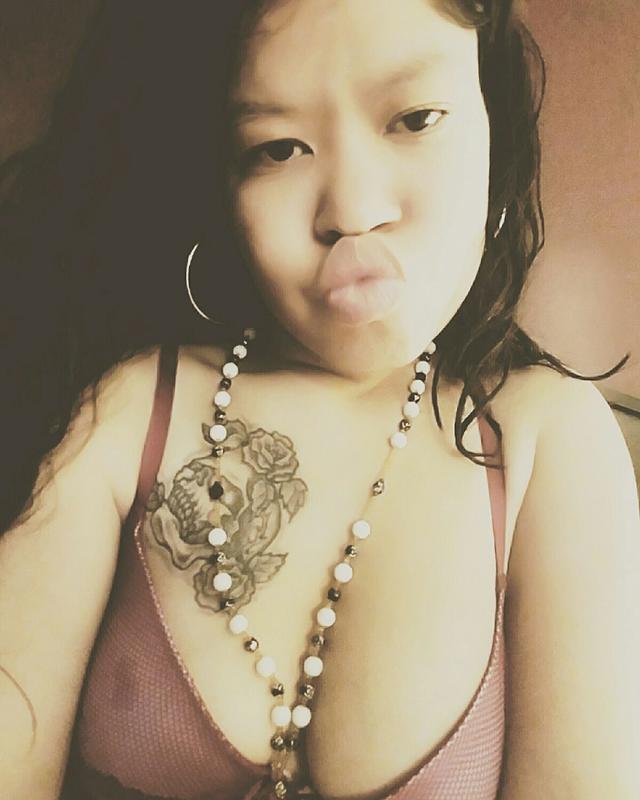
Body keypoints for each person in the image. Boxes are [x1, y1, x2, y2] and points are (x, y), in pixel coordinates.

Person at [0, 1, 639, 798]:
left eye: (415, 118)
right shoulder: (126, 412)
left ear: (493, 125)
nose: (353, 212)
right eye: (278, 148)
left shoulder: (549, 443)